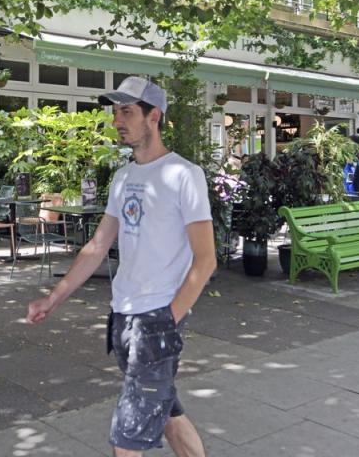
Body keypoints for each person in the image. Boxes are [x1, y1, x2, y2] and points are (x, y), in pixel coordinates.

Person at [25, 76, 216, 457]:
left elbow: (206, 258)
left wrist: (169, 318)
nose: (117, 121)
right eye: (116, 112)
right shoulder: (123, 177)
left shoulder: (184, 175)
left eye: (127, 112)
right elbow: (98, 246)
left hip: (156, 320)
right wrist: (54, 298)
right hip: (123, 318)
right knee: (167, 414)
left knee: (125, 441)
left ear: (154, 116)